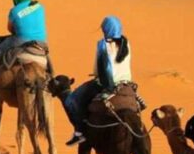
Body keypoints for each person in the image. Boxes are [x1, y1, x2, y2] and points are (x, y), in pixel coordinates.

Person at [63, 16, 147, 146]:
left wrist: (98, 75)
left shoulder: (102, 45)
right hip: (126, 84)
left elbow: (98, 69)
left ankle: (79, 133)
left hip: (107, 84)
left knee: (72, 100)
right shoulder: (126, 43)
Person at [0, 0, 48, 92]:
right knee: (46, 56)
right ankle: (52, 79)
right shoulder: (39, 6)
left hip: (21, 39)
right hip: (41, 42)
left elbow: (10, 29)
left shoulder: (14, 11)